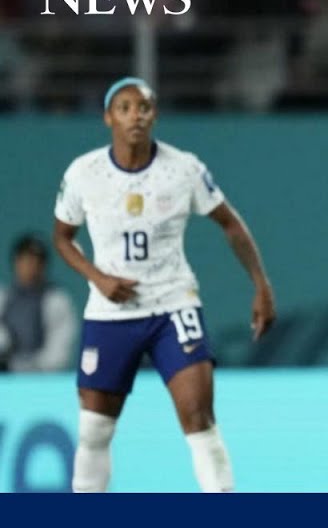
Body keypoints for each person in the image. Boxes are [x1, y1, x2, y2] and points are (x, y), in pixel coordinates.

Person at [52, 77, 277, 493]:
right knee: (95, 430)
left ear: (154, 115)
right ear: (108, 118)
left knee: (199, 417)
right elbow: (62, 237)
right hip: (111, 313)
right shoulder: (84, 172)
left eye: (144, 107)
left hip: (173, 305)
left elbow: (229, 223)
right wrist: (98, 277)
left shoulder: (183, 168)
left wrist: (261, 284)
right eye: (124, 108)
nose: (135, 116)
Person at [0, 233, 75, 372]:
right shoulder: (3, 297)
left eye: (37, 261)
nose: (31, 266)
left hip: (39, 382)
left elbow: (58, 357)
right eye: (26, 260)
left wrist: (20, 367)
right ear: (16, 262)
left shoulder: (57, 301)